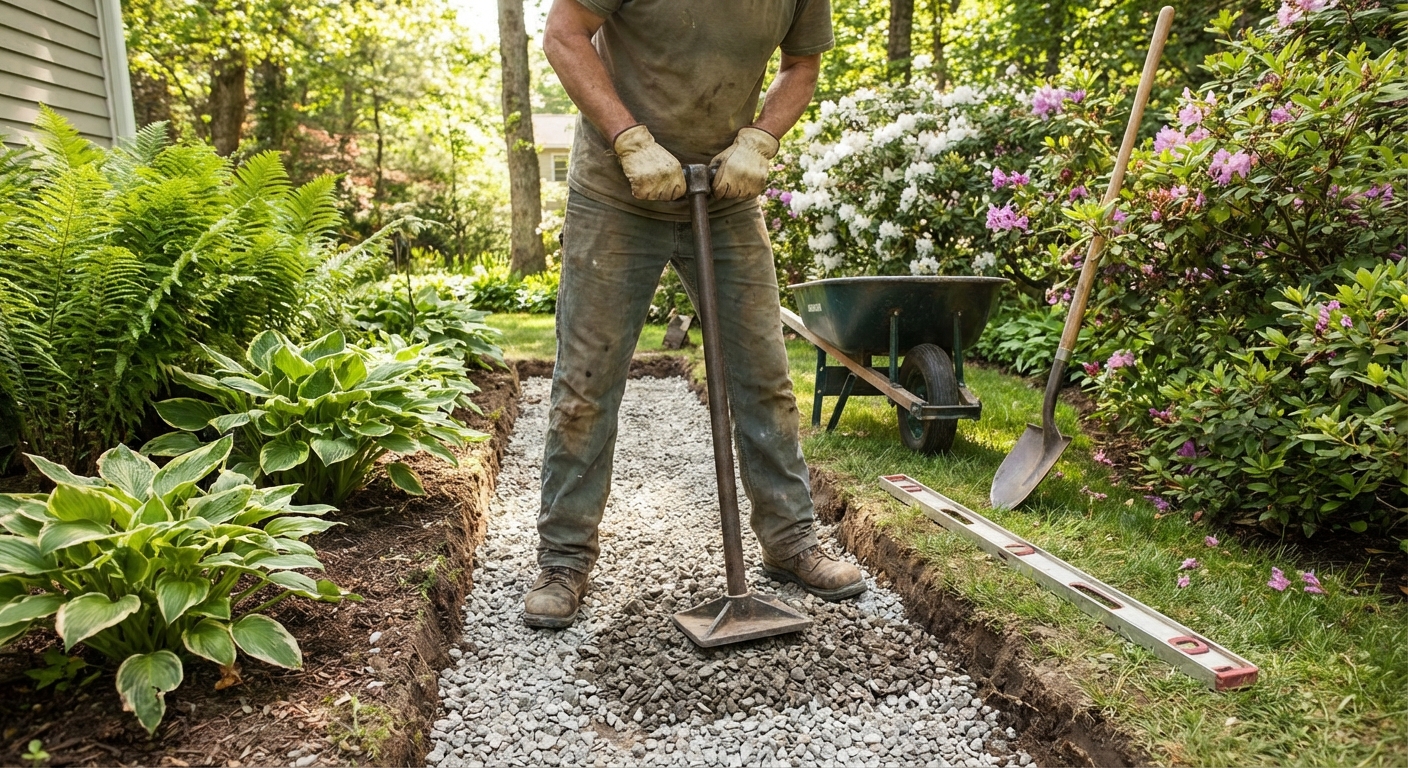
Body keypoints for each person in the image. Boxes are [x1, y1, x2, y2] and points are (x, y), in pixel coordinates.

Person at [526, 0, 865, 629]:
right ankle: (565, 558)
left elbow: (801, 64)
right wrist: (629, 139)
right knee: (587, 384)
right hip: (617, 192)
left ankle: (790, 542)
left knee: (764, 376)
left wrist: (762, 137)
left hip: (727, 193)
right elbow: (564, 36)